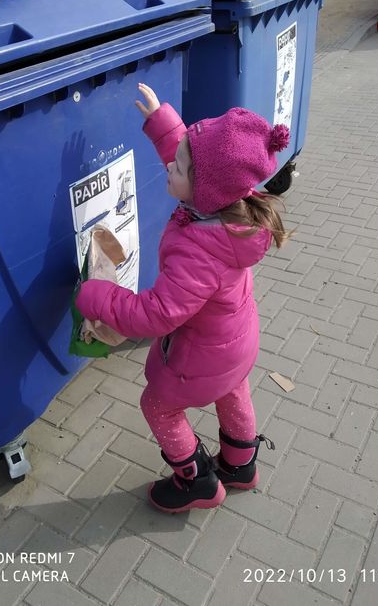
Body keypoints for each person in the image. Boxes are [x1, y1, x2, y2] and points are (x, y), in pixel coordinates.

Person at [75, 83, 291, 513]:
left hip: (200, 357)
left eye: (178, 167)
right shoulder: (225, 209)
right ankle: (241, 465)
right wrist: (162, 123)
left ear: (201, 189)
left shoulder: (199, 251)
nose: (169, 166)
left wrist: (97, 297)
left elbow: (158, 314)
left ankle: (196, 483)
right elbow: (194, 162)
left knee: (158, 406)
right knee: (233, 390)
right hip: (235, 343)